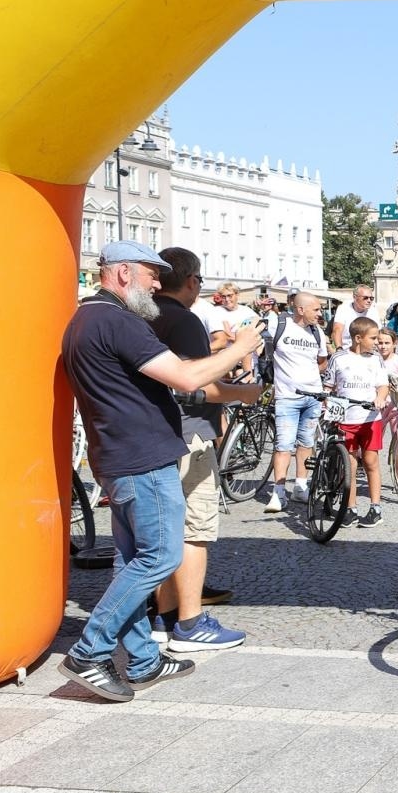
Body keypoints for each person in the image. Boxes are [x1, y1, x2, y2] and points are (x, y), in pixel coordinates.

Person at [59, 240, 263, 701]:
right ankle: (89, 652)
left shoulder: (86, 319)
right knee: (160, 558)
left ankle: (145, 660)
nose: (158, 282)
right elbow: (189, 378)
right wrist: (242, 347)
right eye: (152, 273)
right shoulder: (116, 321)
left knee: (133, 562)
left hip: (117, 455)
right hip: (141, 458)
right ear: (124, 273)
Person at [148, 248, 261, 653]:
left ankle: (163, 617)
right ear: (193, 281)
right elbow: (198, 385)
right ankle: (190, 623)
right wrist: (249, 391)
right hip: (190, 434)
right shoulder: (184, 319)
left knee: (164, 532)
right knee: (194, 531)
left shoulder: (142, 316)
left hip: (154, 435)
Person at [264, 291, 330, 512]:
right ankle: (279, 492)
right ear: (300, 309)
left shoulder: (317, 332)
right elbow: (257, 342)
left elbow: (322, 361)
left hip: (313, 397)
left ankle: (301, 485)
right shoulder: (279, 325)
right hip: (287, 397)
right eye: (316, 309)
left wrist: (310, 378)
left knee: (306, 443)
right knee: (283, 445)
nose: (320, 314)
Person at [326, 317, 390, 527]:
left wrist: (380, 398)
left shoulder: (375, 359)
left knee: (371, 462)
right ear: (358, 338)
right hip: (347, 418)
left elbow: (383, 385)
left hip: (370, 419)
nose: (377, 342)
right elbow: (329, 386)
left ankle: (375, 508)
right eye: (373, 338)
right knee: (350, 466)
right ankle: (350, 508)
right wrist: (325, 402)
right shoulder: (339, 358)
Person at [330, 284, 380, 350]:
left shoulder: (373, 310)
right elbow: (337, 330)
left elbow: (379, 332)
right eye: (365, 298)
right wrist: (339, 348)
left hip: (368, 351)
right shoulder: (344, 308)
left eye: (371, 298)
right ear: (355, 297)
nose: (369, 301)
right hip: (347, 349)